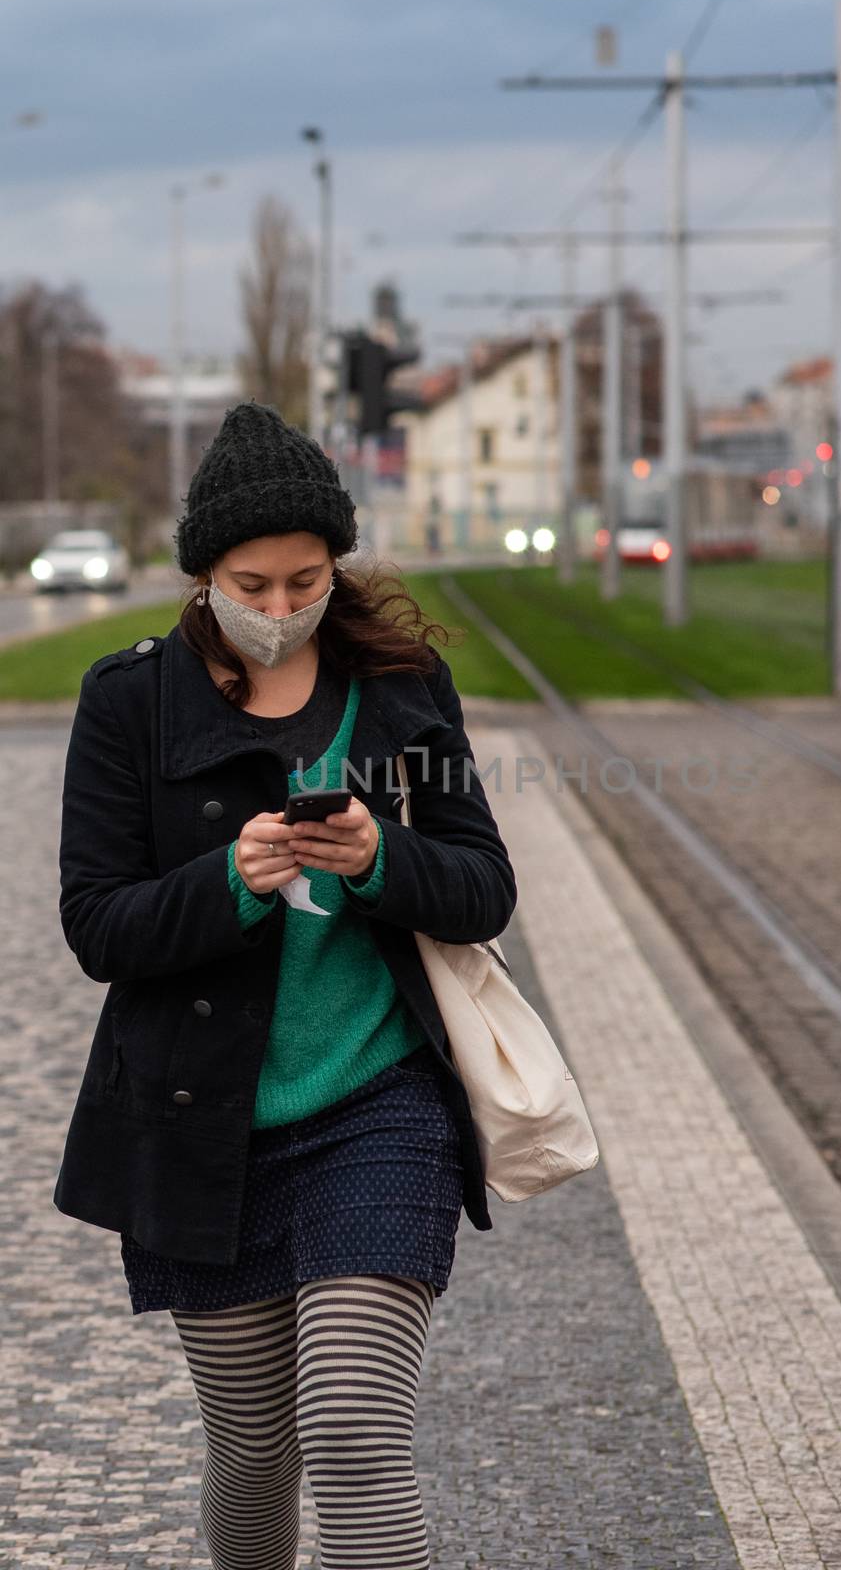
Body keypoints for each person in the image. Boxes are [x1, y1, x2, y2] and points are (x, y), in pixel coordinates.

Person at [52, 401, 517, 1570]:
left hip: (378, 1101)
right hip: (203, 1124)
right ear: (202, 575)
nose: (275, 608)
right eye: (247, 583)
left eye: (301, 579)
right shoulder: (129, 700)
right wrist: (230, 882)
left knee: (355, 1426)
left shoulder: (403, 690)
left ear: (335, 565)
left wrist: (379, 861)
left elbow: (483, 887)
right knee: (255, 1447)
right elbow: (97, 924)